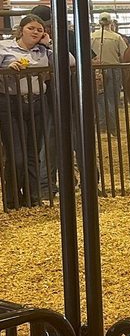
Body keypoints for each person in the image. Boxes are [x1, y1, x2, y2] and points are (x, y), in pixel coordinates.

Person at [0, 15, 74, 209]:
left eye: (40, 30)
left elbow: (70, 62)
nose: (35, 32)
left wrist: (50, 44)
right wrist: (6, 68)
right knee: (16, 155)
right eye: (31, 28)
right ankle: (12, 199)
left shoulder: (43, 51)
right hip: (10, 104)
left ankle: (33, 198)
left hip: (36, 103)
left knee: (33, 153)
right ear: (21, 30)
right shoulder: (4, 47)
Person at [91, 12, 128, 131]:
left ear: (98, 23)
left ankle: (101, 124)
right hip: (113, 69)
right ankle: (113, 126)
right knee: (112, 98)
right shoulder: (116, 37)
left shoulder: (91, 36)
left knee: (99, 98)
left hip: (96, 70)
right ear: (111, 23)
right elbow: (125, 54)